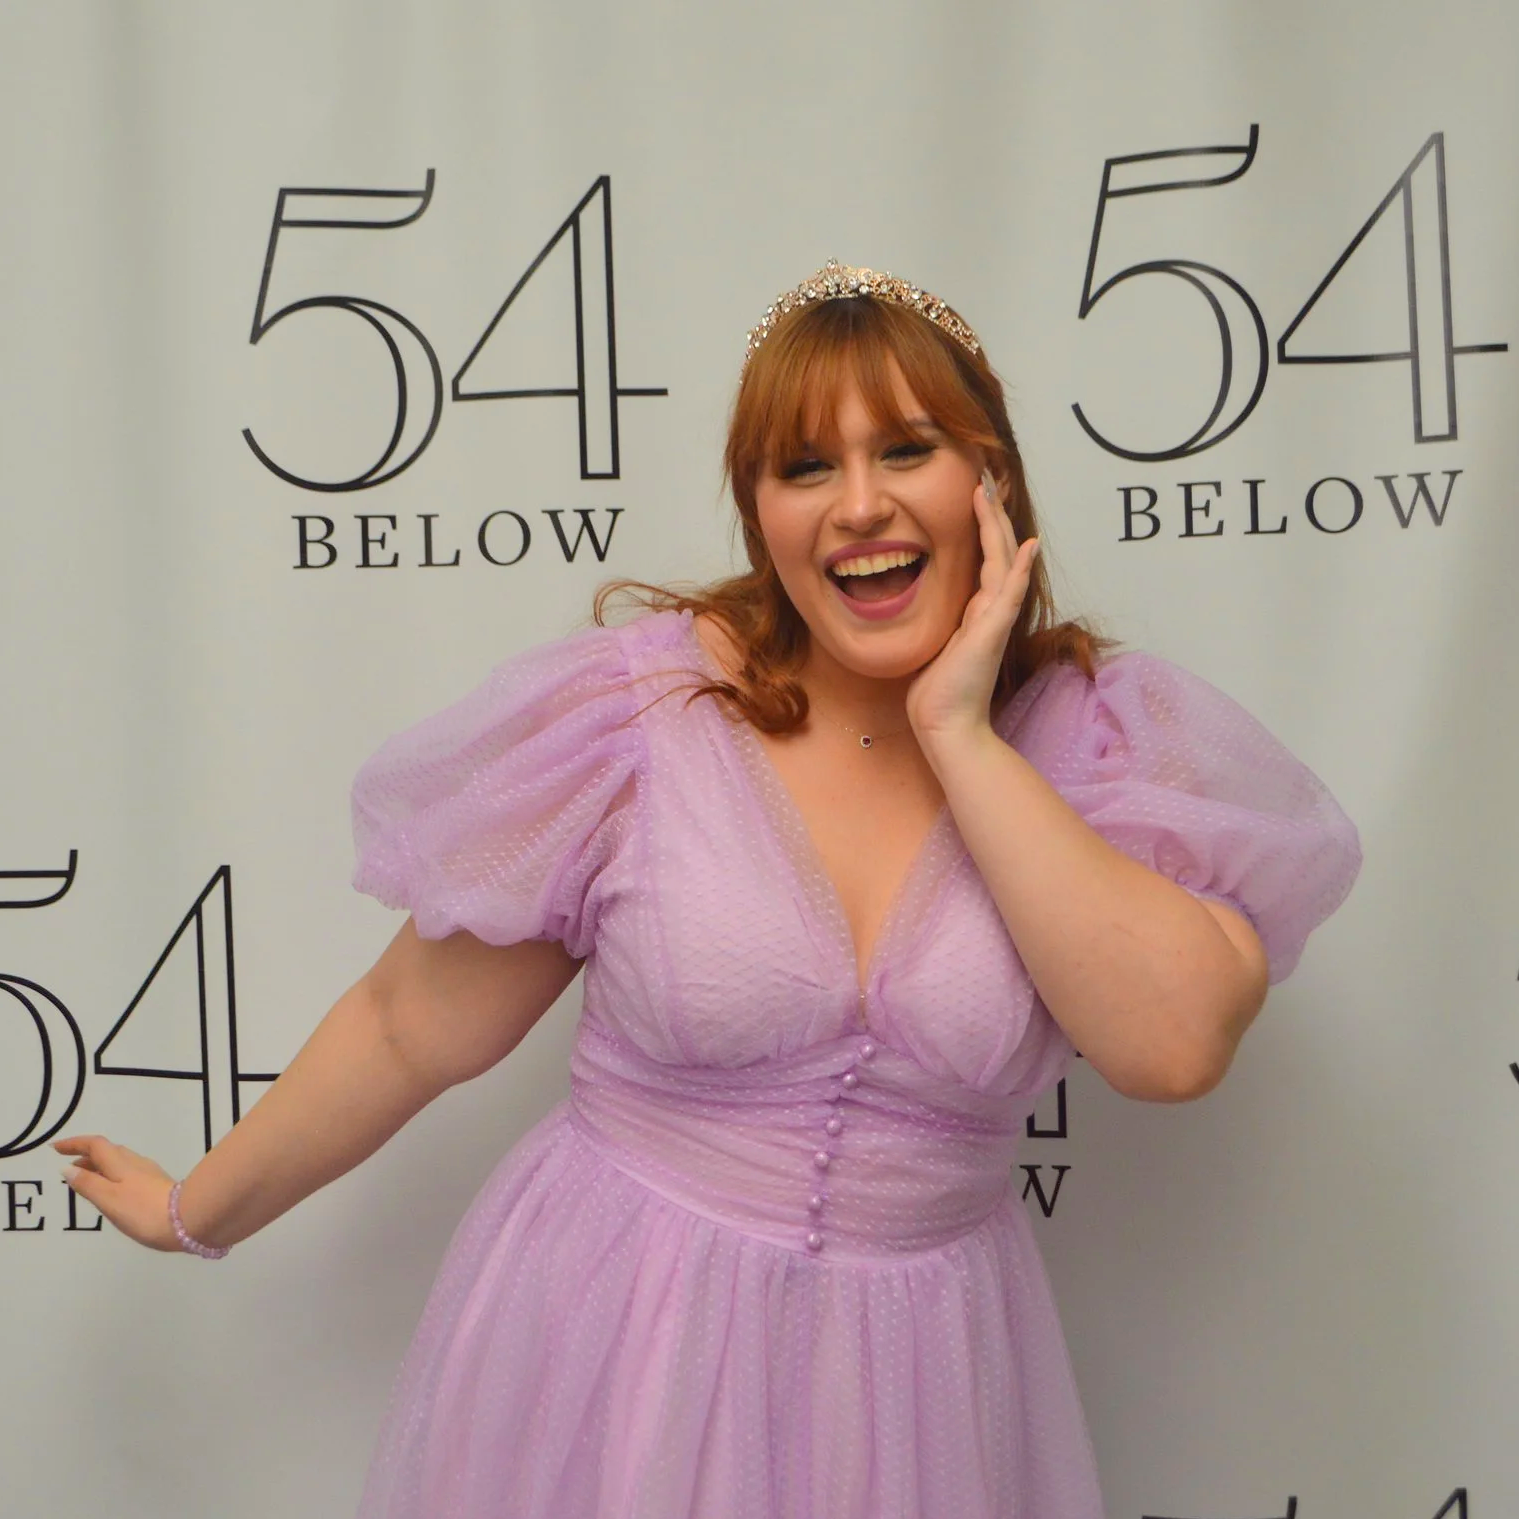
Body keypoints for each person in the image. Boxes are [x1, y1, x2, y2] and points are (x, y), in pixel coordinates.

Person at [53, 259, 1362, 1518]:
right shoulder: (642, 715)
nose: (857, 504)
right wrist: (192, 1209)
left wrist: (960, 731)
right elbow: (411, 1019)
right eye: (805, 467)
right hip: (616, 1344)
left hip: (917, 1393)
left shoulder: (1097, 743)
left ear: (991, 479)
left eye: (905, 448)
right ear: (761, 512)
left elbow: (1171, 1041)